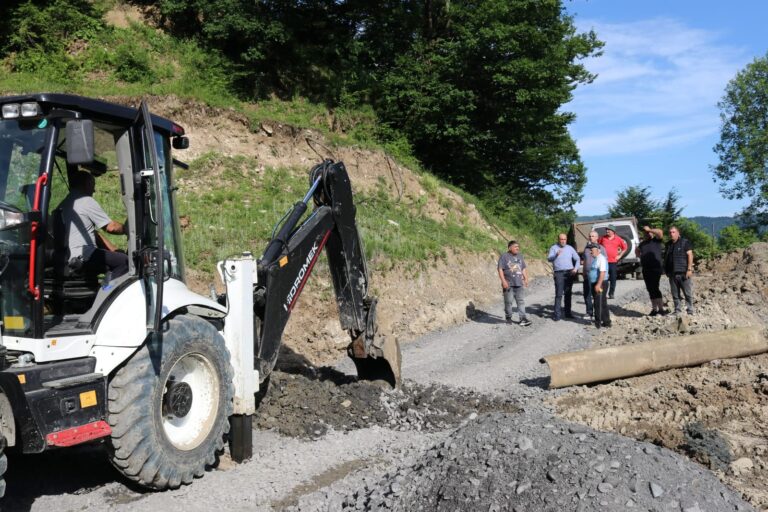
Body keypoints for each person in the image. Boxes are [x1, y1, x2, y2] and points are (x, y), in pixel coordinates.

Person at [58, 170, 129, 279]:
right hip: (85, 255)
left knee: (116, 257)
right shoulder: (85, 200)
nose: (94, 190)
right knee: (125, 261)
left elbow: (94, 233)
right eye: (93, 185)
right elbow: (111, 227)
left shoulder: (64, 203)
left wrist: (113, 249)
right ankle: (108, 291)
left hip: (68, 256)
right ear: (86, 184)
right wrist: (128, 229)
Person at [497, 240, 531, 326]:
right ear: (509, 248)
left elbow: (523, 268)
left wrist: (526, 278)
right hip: (508, 284)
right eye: (515, 247)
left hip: (519, 283)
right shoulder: (504, 256)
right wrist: (503, 281)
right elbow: (500, 269)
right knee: (508, 302)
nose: (517, 248)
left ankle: (523, 318)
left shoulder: (520, 256)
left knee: (520, 301)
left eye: (518, 247)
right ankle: (508, 317)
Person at [547, 233, 580, 321]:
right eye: (561, 239)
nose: (563, 241)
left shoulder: (570, 248)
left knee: (568, 293)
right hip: (559, 273)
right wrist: (556, 255)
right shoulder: (554, 248)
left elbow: (577, 259)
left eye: (564, 239)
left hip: (569, 272)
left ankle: (568, 313)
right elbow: (549, 259)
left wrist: (576, 269)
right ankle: (557, 315)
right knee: (558, 294)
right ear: (558, 239)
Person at [636, 225, 668, 316]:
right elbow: (637, 250)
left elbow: (660, 232)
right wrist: (640, 256)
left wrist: (649, 229)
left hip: (655, 268)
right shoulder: (642, 244)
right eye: (646, 233)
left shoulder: (656, 241)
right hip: (646, 268)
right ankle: (654, 309)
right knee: (650, 289)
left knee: (655, 287)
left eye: (649, 232)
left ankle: (661, 309)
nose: (648, 233)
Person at [664, 225, 694, 315]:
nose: (671, 234)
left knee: (687, 293)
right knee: (675, 294)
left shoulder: (685, 242)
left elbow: (690, 255)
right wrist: (666, 270)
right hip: (672, 273)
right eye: (670, 232)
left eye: (673, 232)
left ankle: (690, 310)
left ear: (678, 233)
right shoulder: (668, 244)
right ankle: (677, 310)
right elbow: (666, 258)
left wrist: (689, 269)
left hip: (684, 273)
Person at [582, 230, 606, 319]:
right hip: (587, 274)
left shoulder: (601, 248)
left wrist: (602, 276)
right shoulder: (587, 248)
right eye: (590, 236)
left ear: (597, 237)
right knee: (587, 294)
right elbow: (585, 260)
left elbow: (604, 261)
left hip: (596, 276)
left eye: (592, 236)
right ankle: (589, 312)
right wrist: (584, 271)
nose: (590, 237)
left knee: (596, 295)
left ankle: (598, 314)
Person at [598, 225, 627, 299]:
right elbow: (597, 246)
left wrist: (619, 256)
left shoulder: (618, 239)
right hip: (603, 261)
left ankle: (611, 293)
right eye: (606, 230)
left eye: (608, 230)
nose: (607, 231)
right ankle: (602, 292)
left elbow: (625, 248)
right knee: (603, 278)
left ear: (613, 231)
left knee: (613, 278)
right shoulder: (603, 238)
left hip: (613, 261)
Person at [586, 243, 611, 328]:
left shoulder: (601, 259)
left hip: (600, 283)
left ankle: (598, 323)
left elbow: (602, 272)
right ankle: (606, 322)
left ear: (598, 251)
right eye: (590, 250)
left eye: (592, 250)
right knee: (602, 302)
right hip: (597, 283)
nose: (590, 252)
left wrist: (598, 285)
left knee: (598, 303)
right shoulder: (596, 258)